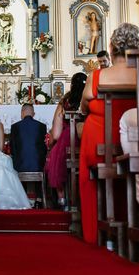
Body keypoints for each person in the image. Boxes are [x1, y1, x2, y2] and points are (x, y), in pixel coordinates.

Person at [79, 22, 139, 243]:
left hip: (99, 145)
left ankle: (95, 232)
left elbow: (83, 107)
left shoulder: (97, 77)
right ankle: (131, 223)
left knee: (88, 169)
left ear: (112, 48)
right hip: (133, 146)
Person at [44, 72, 87, 209]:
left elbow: (56, 134)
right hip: (86, 139)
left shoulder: (65, 102)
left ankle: (62, 199)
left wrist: (50, 144)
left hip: (68, 140)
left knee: (55, 160)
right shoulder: (90, 100)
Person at [10, 104, 48, 173]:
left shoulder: (15, 126)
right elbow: (44, 148)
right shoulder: (42, 126)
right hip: (38, 165)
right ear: (33, 114)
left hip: (19, 166)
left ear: (22, 112)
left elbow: (12, 149)